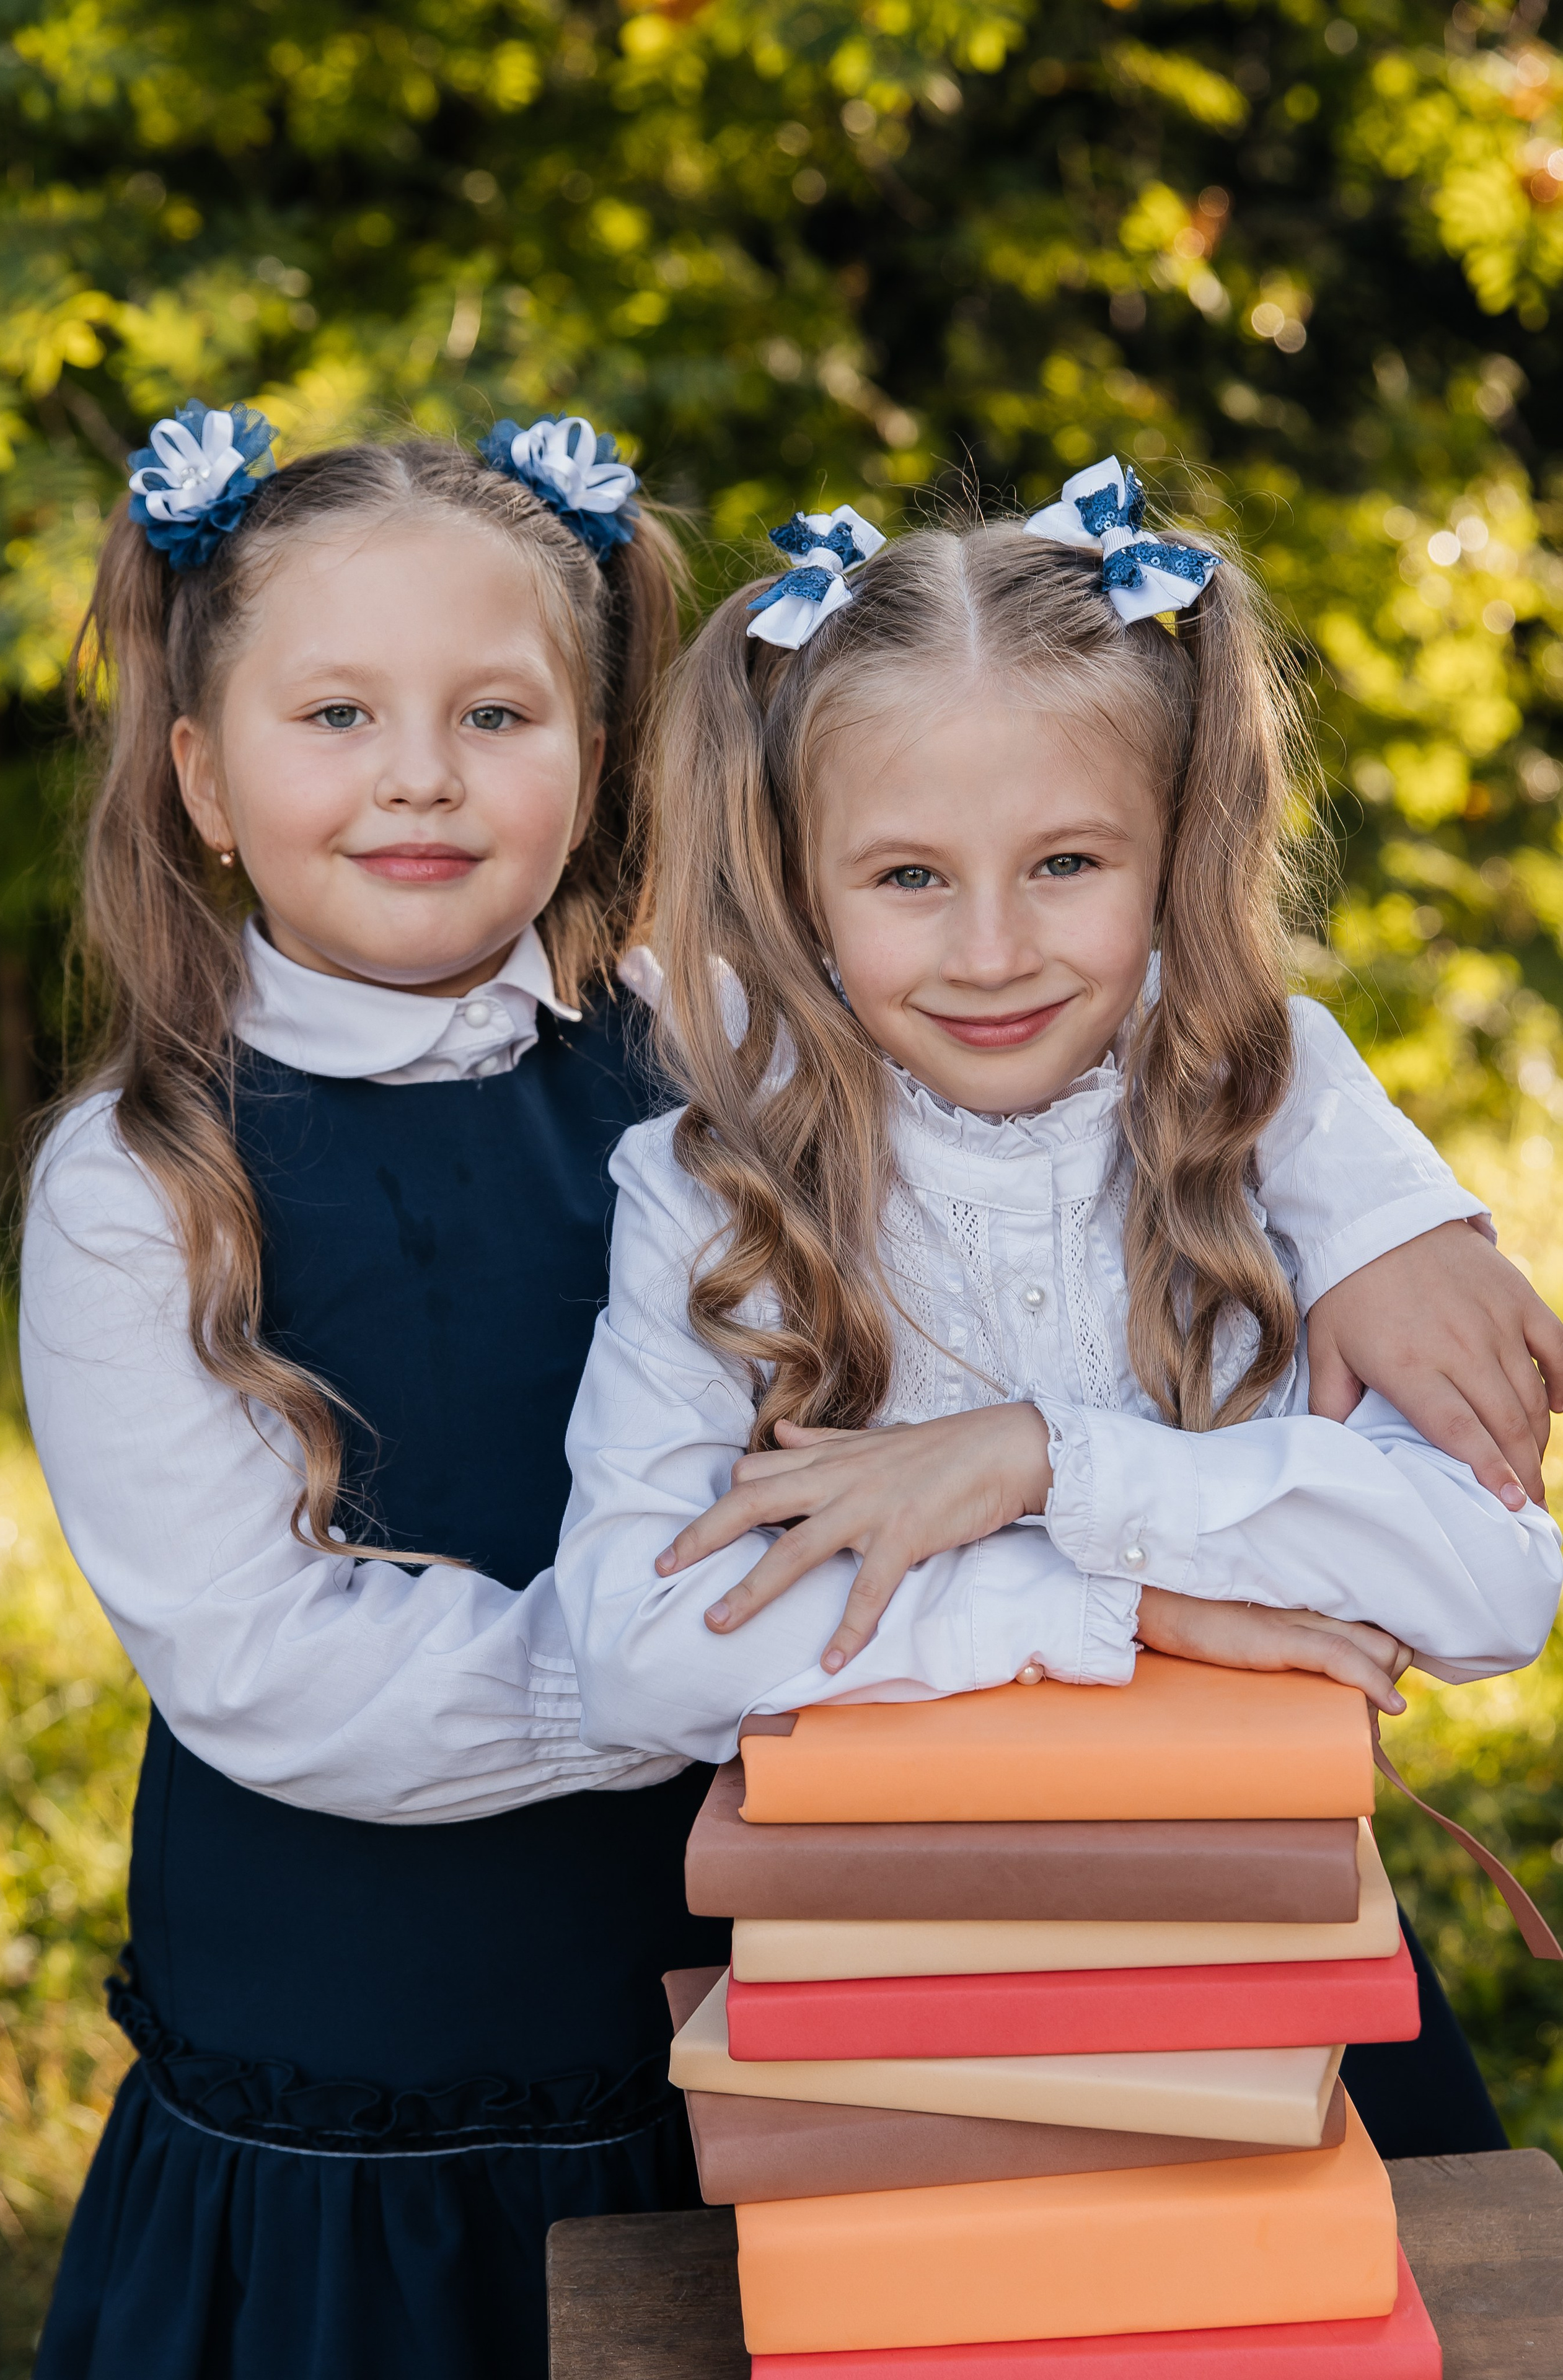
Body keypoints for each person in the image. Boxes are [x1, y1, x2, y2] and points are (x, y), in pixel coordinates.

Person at [553, 467, 1563, 2156]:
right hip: (890, 2002)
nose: (994, 950)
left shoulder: (1273, 1111)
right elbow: (635, 1650)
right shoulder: (712, 1187)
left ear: (1176, 852)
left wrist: (1040, 1463)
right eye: (908, 876)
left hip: (1275, 1955)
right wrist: (1126, 1603)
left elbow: (1489, 1581)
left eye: (1068, 861)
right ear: (797, 880)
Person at [20, 404, 731, 2380]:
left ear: (596, 758)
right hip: (355, 2075)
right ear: (203, 776)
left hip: (696, 2006)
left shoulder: (697, 1063)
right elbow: (265, 1661)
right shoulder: (140, 1178)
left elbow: (1054, 1080)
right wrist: (681, 1673)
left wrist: (1383, 1231)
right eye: (336, 713)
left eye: (497, 714)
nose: (421, 771)